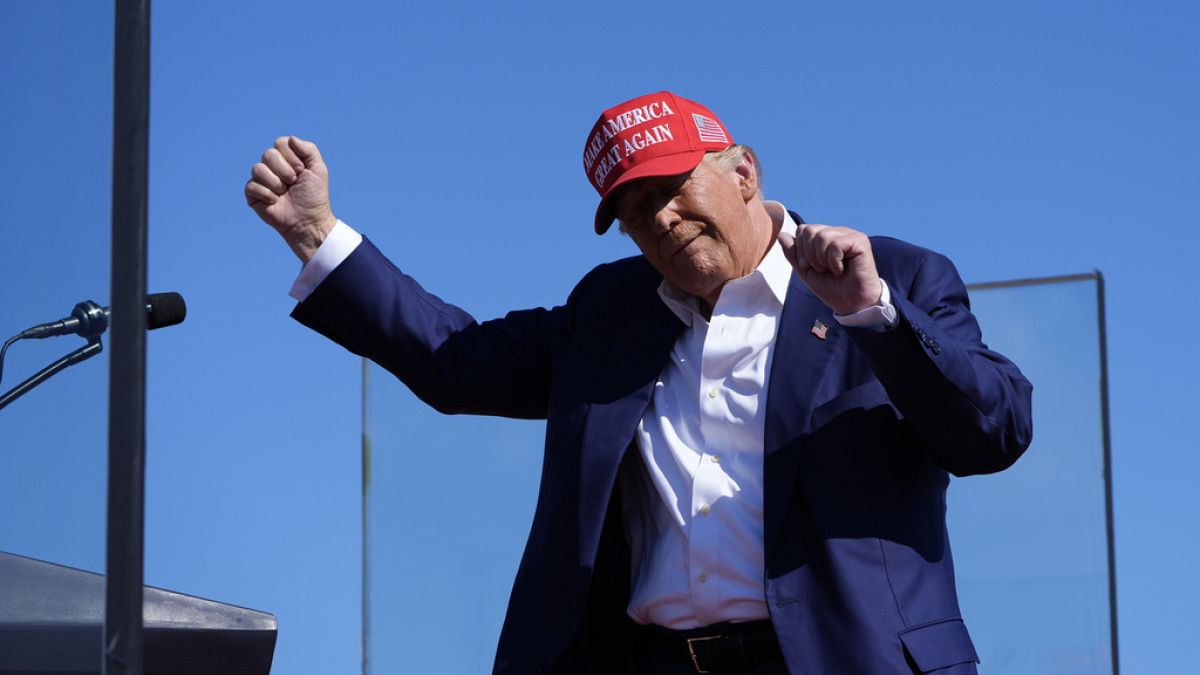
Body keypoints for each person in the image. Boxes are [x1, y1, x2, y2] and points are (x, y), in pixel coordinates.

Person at [245, 91, 1032, 675]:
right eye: (632, 210)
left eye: (671, 188)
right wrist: (317, 233)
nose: (659, 219)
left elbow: (993, 430)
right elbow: (457, 359)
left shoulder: (890, 276)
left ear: (744, 172)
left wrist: (876, 317)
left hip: (844, 659)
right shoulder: (609, 313)